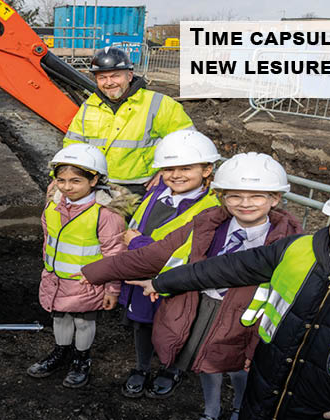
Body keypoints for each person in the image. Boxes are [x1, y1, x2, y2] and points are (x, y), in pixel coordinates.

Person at [128, 169, 330, 420]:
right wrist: (163, 282)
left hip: (325, 408)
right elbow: (225, 268)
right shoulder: (299, 251)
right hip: (263, 394)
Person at [82, 153, 302, 420]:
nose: (245, 204)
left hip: (248, 318)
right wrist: (97, 272)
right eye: (234, 196)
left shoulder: (289, 244)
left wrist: (259, 339)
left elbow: (285, 300)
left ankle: (238, 409)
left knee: (240, 368)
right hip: (205, 305)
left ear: (275, 199)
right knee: (207, 363)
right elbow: (156, 254)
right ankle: (211, 411)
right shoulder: (207, 223)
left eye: (256, 196)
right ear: (222, 196)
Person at [115, 129, 222, 399]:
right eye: (169, 168)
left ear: (207, 169)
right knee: (142, 323)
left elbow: (184, 250)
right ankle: (141, 367)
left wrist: (138, 243)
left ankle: (171, 368)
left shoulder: (210, 208)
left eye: (186, 168)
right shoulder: (157, 194)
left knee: (177, 326)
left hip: (177, 281)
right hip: (142, 277)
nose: (176, 174)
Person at [26, 143, 137, 388]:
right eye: (61, 180)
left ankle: (81, 359)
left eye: (76, 181)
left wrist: (112, 290)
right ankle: (61, 352)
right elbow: (49, 239)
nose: (67, 187)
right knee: (60, 318)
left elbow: (114, 255)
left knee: (84, 322)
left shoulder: (105, 215)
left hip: (88, 283)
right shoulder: (54, 204)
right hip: (57, 279)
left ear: (94, 179)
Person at [61, 47, 194, 195]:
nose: (108, 82)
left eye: (115, 76)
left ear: (129, 76)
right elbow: (73, 144)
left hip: (141, 187)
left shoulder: (159, 103)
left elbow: (187, 141)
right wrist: (63, 176)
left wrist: (167, 171)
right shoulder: (89, 106)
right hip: (96, 185)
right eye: (102, 77)